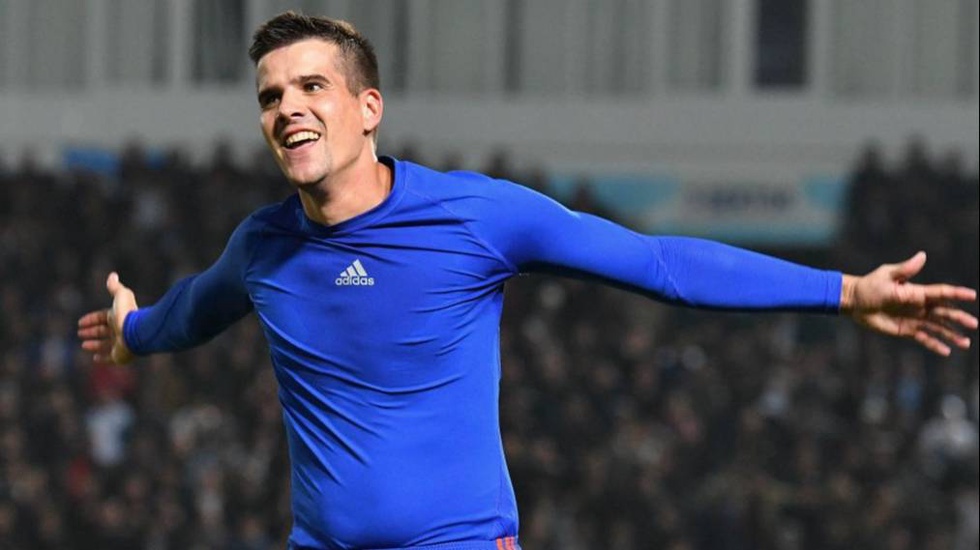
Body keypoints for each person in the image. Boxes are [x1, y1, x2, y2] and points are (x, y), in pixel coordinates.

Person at [77, 12, 978, 550]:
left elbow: (661, 264)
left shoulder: (474, 217)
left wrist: (846, 293)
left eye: (311, 87)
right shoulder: (263, 247)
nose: (288, 109)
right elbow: (190, 313)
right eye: (271, 97)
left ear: (367, 108)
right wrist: (132, 331)